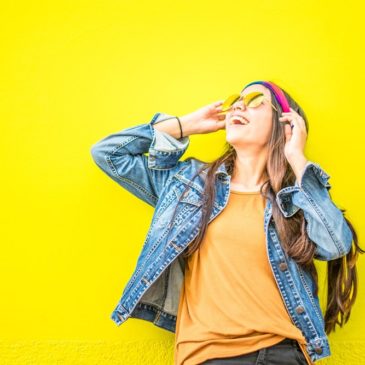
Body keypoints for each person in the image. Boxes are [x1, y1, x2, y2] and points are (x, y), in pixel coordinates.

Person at [90, 80, 363, 365]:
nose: (239, 105)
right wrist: (185, 125)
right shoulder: (188, 184)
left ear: (285, 125)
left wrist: (296, 156)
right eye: (236, 100)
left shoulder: (294, 201)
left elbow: (336, 245)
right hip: (208, 355)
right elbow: (108, 153)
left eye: (256, 100)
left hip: (285, 353)